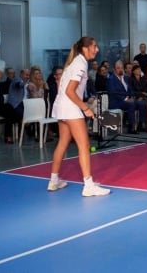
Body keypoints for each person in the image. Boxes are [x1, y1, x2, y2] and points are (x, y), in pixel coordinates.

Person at [47, 36, 110, 196]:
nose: (97, 49)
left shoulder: (76, 62)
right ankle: (88, 185)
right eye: (94, 46)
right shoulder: (80, 63)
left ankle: (54, 181)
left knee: (63, 142)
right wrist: (85, 108)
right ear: (85, 48)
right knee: (84, 145)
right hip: (70, 107)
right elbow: (70, 91)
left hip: (61, 107)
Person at [107, 60, 147, 134]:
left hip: (127, 100)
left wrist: (132, 97)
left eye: (121, 68)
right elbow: (114, 93)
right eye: (118, 68)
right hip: (116, 102)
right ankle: (131, 126)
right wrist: (126, 99)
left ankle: (140, 125)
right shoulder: (111, 79)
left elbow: (130, 89)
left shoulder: (126, 78)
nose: (120, 69)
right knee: (131, 104)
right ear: (114, 70)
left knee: (141, 104)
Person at [3, 68, 30, 144]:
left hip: (24, 104)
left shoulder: (28, 82)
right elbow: (18, 85)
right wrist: (26, 84)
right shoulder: (16, 79)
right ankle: (18, 132)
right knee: (12, 114)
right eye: (26, 75)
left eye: (28, 75)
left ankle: (21, 133)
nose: (27, 76)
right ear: (21, 74)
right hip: (14, 105)